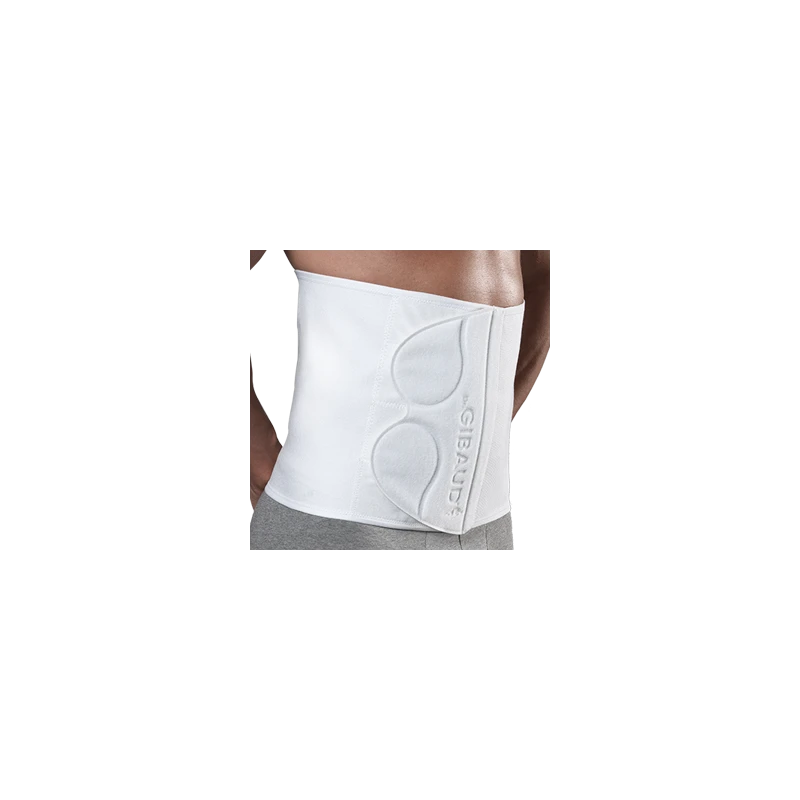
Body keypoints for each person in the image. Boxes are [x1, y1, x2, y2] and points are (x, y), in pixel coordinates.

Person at [248, 248, 551, 552]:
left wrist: (484, 429)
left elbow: (541, 278)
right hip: (340, 523)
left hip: (487, 528)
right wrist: (257, 450)